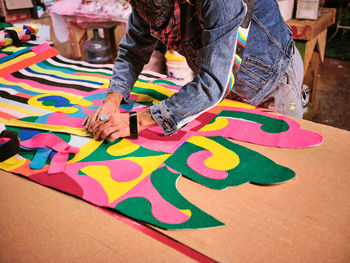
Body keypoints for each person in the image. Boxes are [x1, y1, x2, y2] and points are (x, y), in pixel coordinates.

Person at [83, 0, 304, 142]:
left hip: (271, 82)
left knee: (273, 159)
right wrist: (112, 99)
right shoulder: (144, 5)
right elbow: (132, 53)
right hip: (223, 93)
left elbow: (211, 83)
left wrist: (136, 122)